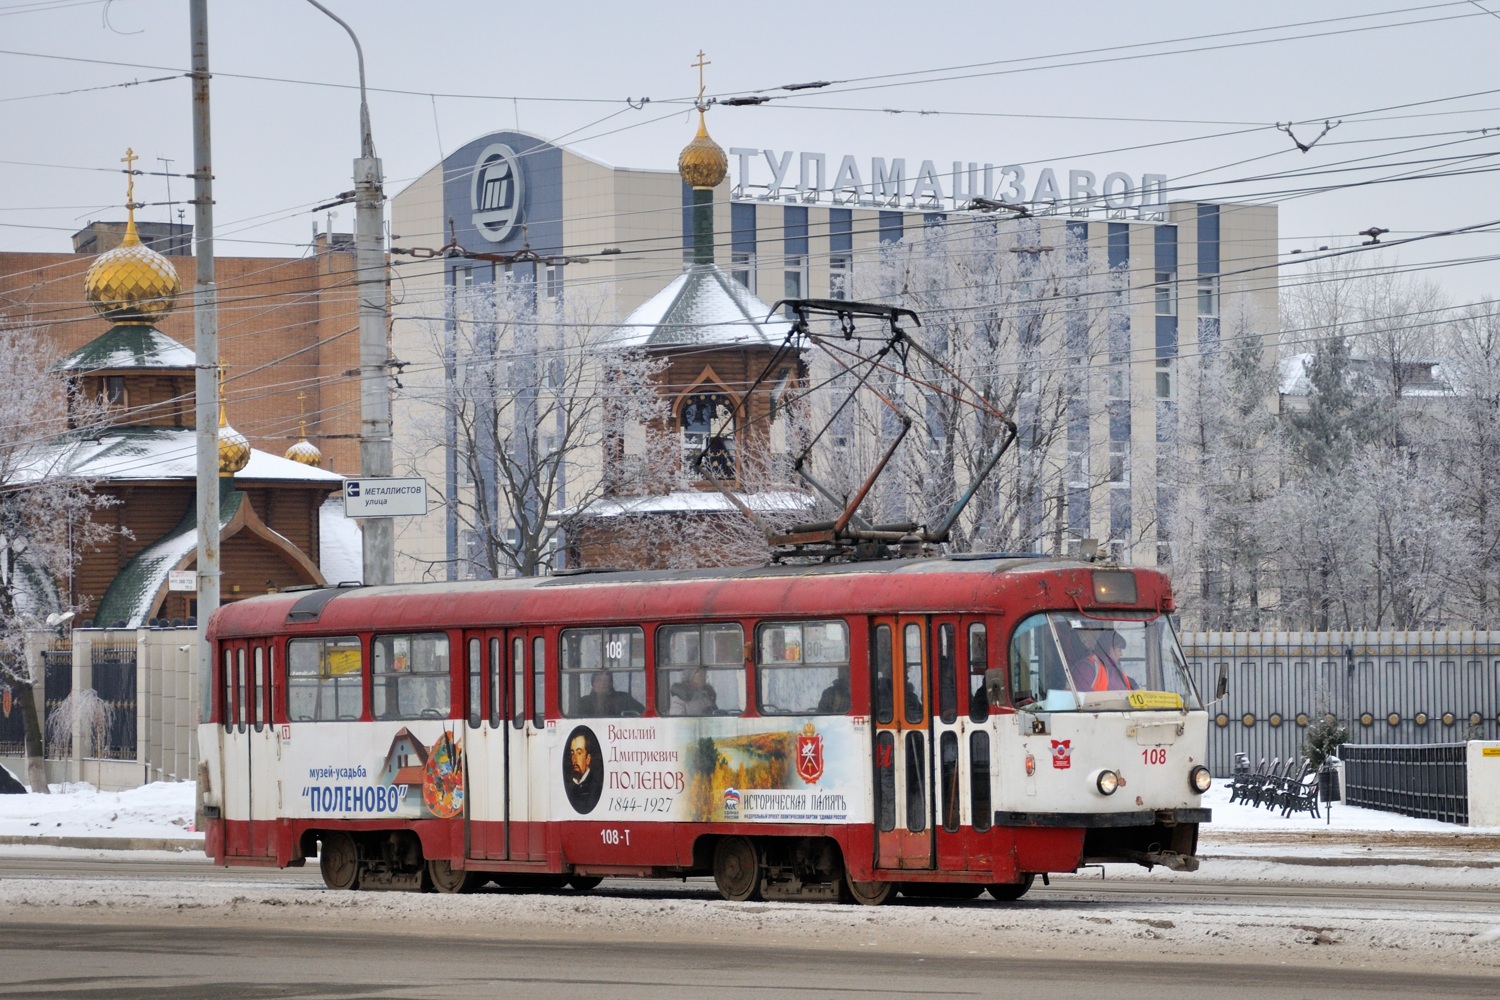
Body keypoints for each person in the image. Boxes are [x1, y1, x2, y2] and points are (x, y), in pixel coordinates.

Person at [564, 728, 603, 814]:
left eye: (579, 753)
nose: (574, 759)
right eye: (572, 753)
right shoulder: (569, 786)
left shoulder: (596, 787)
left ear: (588, 759)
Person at [577, 669, 645, 717]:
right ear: (593, 683)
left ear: (610, 683)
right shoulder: (584, 702)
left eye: (606, 680)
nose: (602, 684)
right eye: (599, 680)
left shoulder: (623, 699)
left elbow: (643, 712)